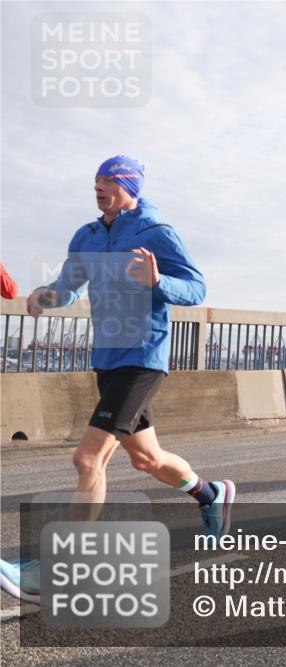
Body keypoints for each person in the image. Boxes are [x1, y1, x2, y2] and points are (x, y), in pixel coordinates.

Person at [0, 156, 234, 604]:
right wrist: (43, 297)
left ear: (129, 185)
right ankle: (211, 494)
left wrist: (158, 279)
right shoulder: (87, 236)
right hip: (107, 358)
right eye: (96, 181)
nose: (99, 187)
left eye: (108, 180)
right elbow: (68, 287)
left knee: (89, 460)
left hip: (143, 356)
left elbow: (196, 288)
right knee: (147, 459)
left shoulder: (154, 232)